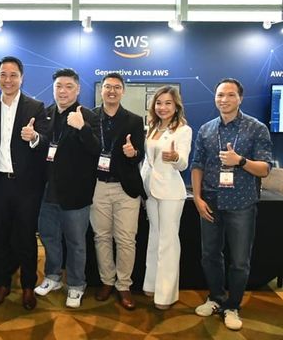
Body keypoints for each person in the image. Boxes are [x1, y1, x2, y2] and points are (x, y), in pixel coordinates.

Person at [191, 78, 272, 331]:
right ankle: (216, 298)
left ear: (240, 98)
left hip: (241, 204)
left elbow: (264, 169)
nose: (224, 99)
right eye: (219, 95)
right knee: (210, 256)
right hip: (210, 202)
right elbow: (197, 165)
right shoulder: (206, 129)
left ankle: (233, 306)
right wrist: (197, 198)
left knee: (239, 261)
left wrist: (240, 161)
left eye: (229, 95)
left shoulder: (256, 128)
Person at [0, 56, 49, 310]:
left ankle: (28, 286)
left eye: (13, 75)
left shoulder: (36, 107)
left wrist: (34, 137)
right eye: (3, 74)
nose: (7, 80)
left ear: (22, 78)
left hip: (26, 187)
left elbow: (46, 142)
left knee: (26, 238)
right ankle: (2, 284)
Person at [34, 68, 101, 308]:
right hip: (47, 191)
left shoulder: (89, 116)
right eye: (59, 86)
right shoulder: (45, 114)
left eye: (69, 86)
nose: (63, 91)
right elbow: (41, 149)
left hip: (75, 193)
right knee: (49, 237)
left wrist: (83, 128)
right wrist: (33, 138)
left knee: (75, 243)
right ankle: (53, 277)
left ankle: (76, 284)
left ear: (78, 89)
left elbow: (97, 150)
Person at [90, 72, 146, 310]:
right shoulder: (89, 117)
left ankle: (124, 285)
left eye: (116, 87)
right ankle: (107, 281)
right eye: (107, 87)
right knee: (101, 237)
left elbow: (140, 155)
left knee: (126, 239)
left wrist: (133, 154)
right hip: (97, 187)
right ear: (101, 90)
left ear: (123, 91)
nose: (111, 91)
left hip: (125, 188)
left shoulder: (134, 120)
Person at [140, 86, 192, 310]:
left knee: (168, 242)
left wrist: (176, 157)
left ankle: (166, 294)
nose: (163, 107)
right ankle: (151, 284)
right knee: (154, 237)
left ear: (176, 106)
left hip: (171, 192)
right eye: (159, 103)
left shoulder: (183, 130)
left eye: (168, 103)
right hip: (150, 190)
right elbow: (148, 161)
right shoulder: (152, 127)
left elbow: (184, 163)